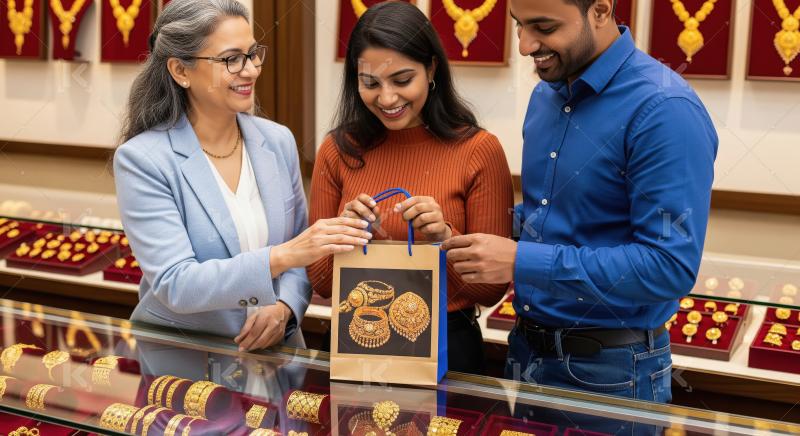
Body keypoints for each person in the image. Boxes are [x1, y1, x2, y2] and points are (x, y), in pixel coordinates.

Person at [442, 0, 718, 401]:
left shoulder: (665, 110)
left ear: (601, 11)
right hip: (525, 352)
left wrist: (520, 260)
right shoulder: (545, 95)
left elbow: (668, 267)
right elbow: (549, 220)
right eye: (519, 25)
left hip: (612, 370)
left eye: (543, 27)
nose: (524, 45)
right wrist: (459, 223)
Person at [114, 0, 371, 353]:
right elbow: (177, 284)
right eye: (231, 59)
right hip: (187, 364)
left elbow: (302, 253)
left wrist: (285, 308)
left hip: (276, 359)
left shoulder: (278, 141)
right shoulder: (143, 160)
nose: (250, 70)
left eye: (252, 54)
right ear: (180, 70)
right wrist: (282, 256)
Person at [307, 1, 514, 374]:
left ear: (431, 69)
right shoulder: (338, 150)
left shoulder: (478, 150)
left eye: (402, 81)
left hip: (448, 346)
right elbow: (321, 282)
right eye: (371, 83)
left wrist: (444, 238)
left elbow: (489, 291)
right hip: (355, 338)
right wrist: (346, 234)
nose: (387, 98)